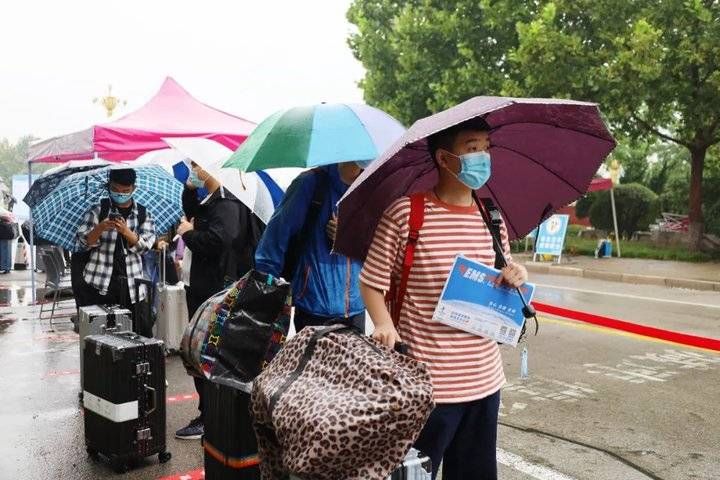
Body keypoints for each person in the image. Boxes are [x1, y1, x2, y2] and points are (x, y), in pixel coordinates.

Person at [359, 118, 528, 480]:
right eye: (471, 148)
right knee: (413, 475)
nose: (482, 156)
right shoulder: (407, 214)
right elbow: (371, 282)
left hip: (484, 381)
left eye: (486, 147)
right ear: (444, 158)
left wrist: (515, 275)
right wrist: (384, 324)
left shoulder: (492, 218)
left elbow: (503, 272)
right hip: (425, 387)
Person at [174, 160, 256, 440]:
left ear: (211, 168)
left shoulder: (227, 203)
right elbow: (192, 213)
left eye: (197, 166)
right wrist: (188, 190)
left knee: (206, 354)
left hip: (212, 291)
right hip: (201, 286)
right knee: (200, 353)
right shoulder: (212, 200)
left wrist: (188, 233)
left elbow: (219, 241)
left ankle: (211, 416)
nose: (193, 170)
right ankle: (209, 412)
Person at [254, 161, 368, 334]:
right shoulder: (310, 183)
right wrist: (266, 287)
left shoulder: (372, 188)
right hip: (314, 306)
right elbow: (275, 236)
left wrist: (349, 237)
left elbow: (382, 248)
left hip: (356, 309)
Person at [76, 168, 156, 330]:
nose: (120, 194)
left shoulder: (143, 213)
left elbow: (145, 248)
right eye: (115, 190)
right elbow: (83, 243)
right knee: (100, 334)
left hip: (132, 285)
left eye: (125, 191)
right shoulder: (98, 210)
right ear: (109, 187)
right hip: (99, 282)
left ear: (133, 189)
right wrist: (100, 227)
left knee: (131, 332)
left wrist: (126, 232)